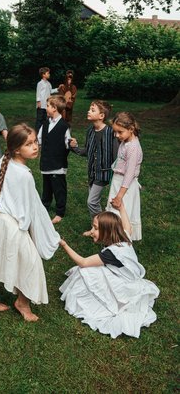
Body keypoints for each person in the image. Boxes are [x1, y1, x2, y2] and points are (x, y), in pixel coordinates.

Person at [0, 124, 60, 322]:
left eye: (35, 142)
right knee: (31, 263)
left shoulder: (5, 160)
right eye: (29, 144)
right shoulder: (24, 175)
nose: (35, 146)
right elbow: (29, 209)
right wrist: (35, 232)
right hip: (11, 225)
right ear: (17, 149)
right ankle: (22, 303)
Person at [59, 200, 159, 338]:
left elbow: (83, 262)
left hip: (124, 286)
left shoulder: (112, 252)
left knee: (86, 272)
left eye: (95, 228)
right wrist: (122, 207)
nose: (92, 231)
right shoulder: (124, 238)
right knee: (93, 268)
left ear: (107, 231)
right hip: (128, 279)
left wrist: (63, 245)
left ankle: (90, 302)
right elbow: (128, 227)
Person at [69, 100, 118, 235]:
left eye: (92, 110)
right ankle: (99, 227)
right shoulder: (90, 130)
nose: (88, 111)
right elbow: (87, 151)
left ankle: (101, 228)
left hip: (103, 174)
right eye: (89, 109)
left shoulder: (111, 132)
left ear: (101, 116)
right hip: (91, 173)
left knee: (91, 202)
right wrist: (75, 148)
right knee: (94, 201)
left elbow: (116, 156)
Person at [105, 112, 143, 241]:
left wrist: (119, 196)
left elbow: (129, 174)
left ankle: (121, 241)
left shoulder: (133, 148)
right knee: (113, 212)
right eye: (115, 132)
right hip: (118, 181)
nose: (117, 135)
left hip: (124, 187)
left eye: (120, 132)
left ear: (131, 129)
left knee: (121, 213)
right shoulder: (126, 141)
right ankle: (113, 239)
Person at [38, 95, 71, 224]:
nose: (46, 108)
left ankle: (60, 212)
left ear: (54, 108)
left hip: (58, 163)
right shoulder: (46, 123)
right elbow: (40, 139)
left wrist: (71, 144)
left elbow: (67, 143)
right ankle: (44, 205)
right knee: (47, 186)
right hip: (46, 161)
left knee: (59, 189)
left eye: (48, 106)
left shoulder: (64, 126)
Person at [35, 66, 59, 134]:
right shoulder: (40, 83)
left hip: (47, 105)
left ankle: (44, 132)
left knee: (46, 119)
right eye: (48, 73)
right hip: (41, 105)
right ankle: (37, 133)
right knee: (39, 119)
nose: (49, 74)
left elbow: (51, 91)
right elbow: (38, 92)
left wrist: (58, 89)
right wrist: (38, 101)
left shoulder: (48, 83)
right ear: (43, 75)